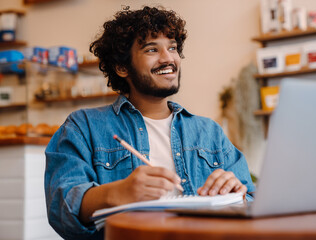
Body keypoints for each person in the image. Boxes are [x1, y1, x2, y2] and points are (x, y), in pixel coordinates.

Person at [45, 6, 255, 240]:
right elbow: (61, 207)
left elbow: (254, 202)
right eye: (152, 49)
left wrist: (238, 195)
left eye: (173, 47)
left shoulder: (209, 132)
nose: (168, 58)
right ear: (122, 67)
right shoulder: (83, 126)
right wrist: (118, 193)